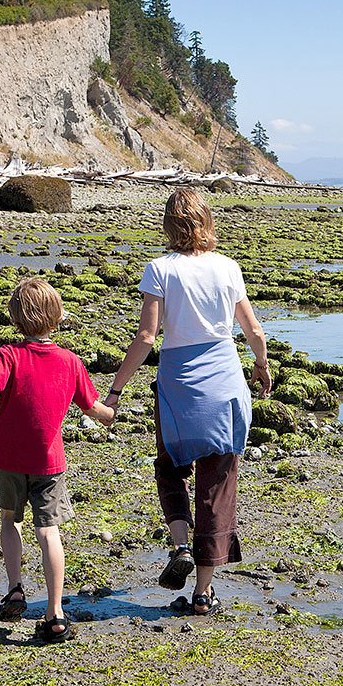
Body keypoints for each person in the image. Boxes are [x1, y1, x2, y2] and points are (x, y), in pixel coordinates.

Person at [105, 188, 271, 615]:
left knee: (171, 469)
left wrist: (116, 389)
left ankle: (181, 544)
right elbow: (253, 330)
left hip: (178, 387)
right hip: (224, 383)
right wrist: (261, 365)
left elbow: (146, 337)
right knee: (217, 484)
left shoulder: (159, 269)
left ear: (169, 225)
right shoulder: (228, 268)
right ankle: (203, 591)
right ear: (207, 222)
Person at [0, 278, 114, 642]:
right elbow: (95, 409)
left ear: (17, 320)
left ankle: (15, 587)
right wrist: (110, 410)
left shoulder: (10, 355)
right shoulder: (71, 362)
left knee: (10, 519)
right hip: (48, 462)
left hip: (8, 457)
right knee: (48, 531)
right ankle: (55, 613)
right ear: (57, 317)